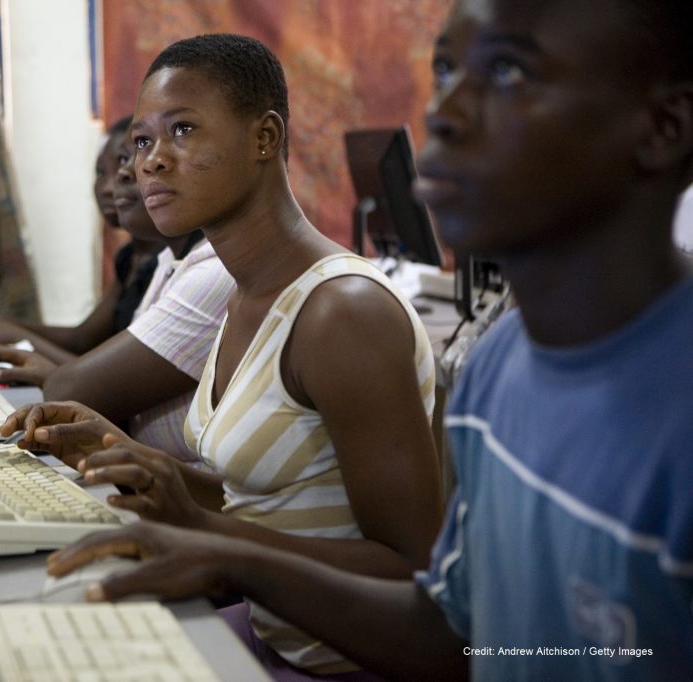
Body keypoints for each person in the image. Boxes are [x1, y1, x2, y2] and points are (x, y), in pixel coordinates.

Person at [37, 1, 693, 680]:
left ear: (664, 127)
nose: (445, 110)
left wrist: (226, 547)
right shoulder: (501, 366)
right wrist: (210, 534)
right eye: (444, 68)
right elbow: (455, 634)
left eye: (507, 70)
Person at [3, 33, 444, 677]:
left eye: (182, 130)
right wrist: (144, 466)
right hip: (271, 633)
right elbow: (261, 502)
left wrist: (212, 542)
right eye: (142, 142)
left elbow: (413, 575)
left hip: (339, 665)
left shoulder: (341, 312)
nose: (149, 163)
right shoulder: (243, 298)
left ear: (265, 139)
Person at [0, 127, 235, 464]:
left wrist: (43, 363)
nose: (135, 168)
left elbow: (75, 386)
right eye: (141, 146)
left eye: (182, 133)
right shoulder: (168, 260)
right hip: (159, 479)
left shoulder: (217, 270)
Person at [0, 116, 161, 365]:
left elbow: (109, 379)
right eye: (101, 172)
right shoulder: (131, 257)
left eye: (126, 163)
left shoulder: (177, 265)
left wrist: (4, 333)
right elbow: (82, 338)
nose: (108, 187)